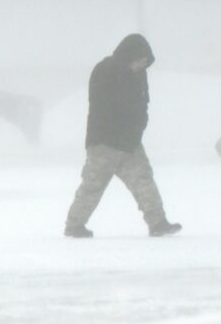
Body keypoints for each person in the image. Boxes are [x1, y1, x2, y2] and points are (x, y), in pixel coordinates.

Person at [64, 33, 182, 238]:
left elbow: (143, 104)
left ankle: (158, 223)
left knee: (144, 180)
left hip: (130, 142)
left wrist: (138, 128)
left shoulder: (139, 74)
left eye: (145, 62)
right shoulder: (105, 71)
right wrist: (122, 126)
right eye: (139, 60)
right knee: (93, 185)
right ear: (129, 55)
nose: (141, 65)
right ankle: (74, 225)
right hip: (104, 142)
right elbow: (104, 106)